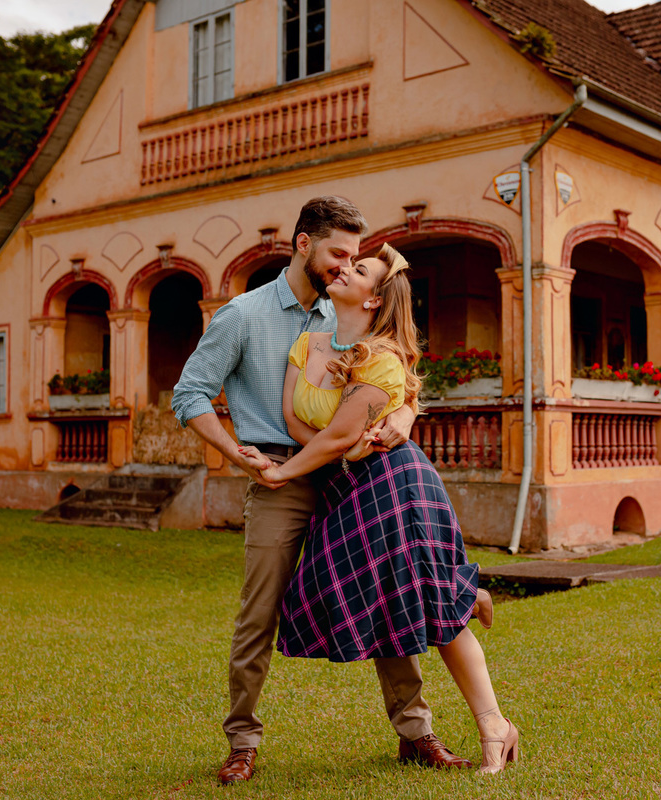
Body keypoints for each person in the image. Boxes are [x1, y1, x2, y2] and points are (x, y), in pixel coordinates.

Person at [172, 197, 472, 784]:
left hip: (354, 478)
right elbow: (189, 395)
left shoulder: (351, 312)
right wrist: (237, 454)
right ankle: (243, 741)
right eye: (338, 253)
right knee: (259, 612)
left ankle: (416, 734)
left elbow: (397, 379)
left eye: (354, 258)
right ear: (303, 243)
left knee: (389, 595)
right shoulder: (243, 315)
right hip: (278, 476)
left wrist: (407, 417)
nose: (345, 266)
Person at [241, 242, 519, 775]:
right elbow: (297, 422)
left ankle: (493, 728)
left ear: (373, 299)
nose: (344, 269)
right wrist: (335, 447)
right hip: (344, 489)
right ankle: (468, 592)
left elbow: (337, 436)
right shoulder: (308, 342)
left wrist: (282, 470)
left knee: (432, 611)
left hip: (395, 485)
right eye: (347, 262)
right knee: (342, 591)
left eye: (359, 269)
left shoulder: (382, 358)